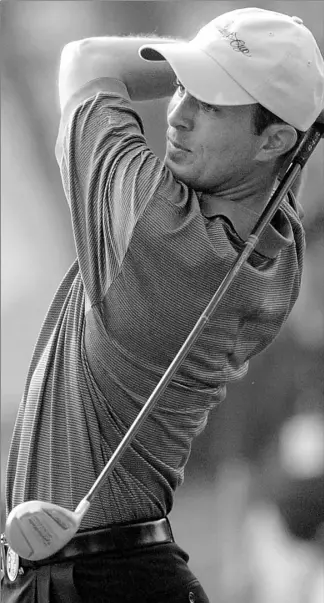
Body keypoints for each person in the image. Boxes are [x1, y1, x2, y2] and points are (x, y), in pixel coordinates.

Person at [2, 6, 324, 602]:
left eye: (211, 102)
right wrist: (232, 66)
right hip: (128, 572)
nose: (178, 115)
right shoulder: (280, 251)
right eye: (183, 86)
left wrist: (214, 57)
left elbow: (87, 61)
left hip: (97, 580)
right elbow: (277, 178)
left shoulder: (154, 231)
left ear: (276, 139)